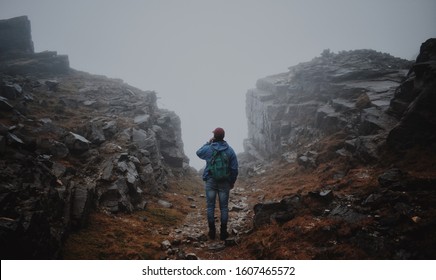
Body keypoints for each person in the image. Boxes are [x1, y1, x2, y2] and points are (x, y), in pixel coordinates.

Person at [196, 127, 238, 240]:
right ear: (223, 136)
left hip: (210, 180)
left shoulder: (209, 148)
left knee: (210, 207)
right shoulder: (230, 150)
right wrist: (232, 182)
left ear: (214, 136)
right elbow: (234, 169)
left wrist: (208, 142)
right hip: (224, 182)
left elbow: (198, 152)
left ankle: (212, 232)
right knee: (224, 208)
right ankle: (223, 233)